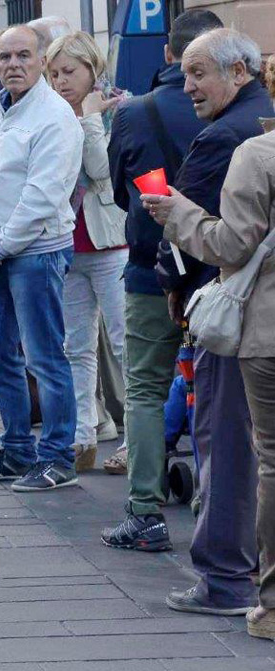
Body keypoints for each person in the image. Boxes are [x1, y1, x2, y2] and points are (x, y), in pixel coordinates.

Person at [124, 29, 273, 617]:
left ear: (240, 72)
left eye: (198, 72)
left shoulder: (235, 140)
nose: (186, 86)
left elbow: (228, 244)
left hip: (240, 321)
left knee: (229, 446)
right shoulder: (251, 126)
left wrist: (176, 218)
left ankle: (228, 579)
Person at [103, 9, 222, 534]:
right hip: (222, 271)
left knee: (147, 389)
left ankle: (145, 512)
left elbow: (119, 190)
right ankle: (215, 510)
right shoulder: (245, 115)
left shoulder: (136, 112)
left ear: (169, 53)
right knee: (219, 392)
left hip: (152, 268)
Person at [0, 24, 83, 492]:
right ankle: (15, 450)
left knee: (45, 358)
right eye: (5, 57)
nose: (13, 64)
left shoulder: (55, 116)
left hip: (36, 253)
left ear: (42, 61)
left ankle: (57, 457)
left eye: (23, 56)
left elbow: (42, 195)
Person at [46, 32, 130, 473]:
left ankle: (135, 438)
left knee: (122, 342)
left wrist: (91, 118)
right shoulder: (49, 113)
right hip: (65, 243)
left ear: (91, 69)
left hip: (109, 241)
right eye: (54, 73)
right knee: (75, 346)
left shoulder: (117, 107)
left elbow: (101, 168)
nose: (61, 81)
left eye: (69, 72)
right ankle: (83, 435)